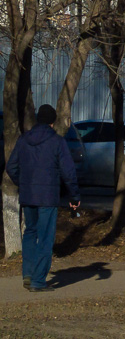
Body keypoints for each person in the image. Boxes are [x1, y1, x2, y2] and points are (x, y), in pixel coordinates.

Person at [4, 104, 81, 292]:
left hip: (28, 195)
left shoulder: (23, 140)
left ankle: (28, 275)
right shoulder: (57, 141)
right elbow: (68, 172)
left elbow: (11, 167)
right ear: (53, 123)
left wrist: (23, 183)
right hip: (48, 197)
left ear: (38, 120)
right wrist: (74, 196)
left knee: (30, 232)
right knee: (46, 237)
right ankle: (38, 281)